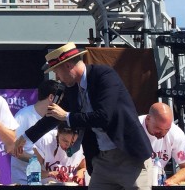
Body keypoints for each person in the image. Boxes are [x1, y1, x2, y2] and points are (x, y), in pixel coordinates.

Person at [14, 42, 152, 190]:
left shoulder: (104, 75)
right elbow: (53, 116)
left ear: (67, 66)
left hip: (128, 155)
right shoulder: (72, 89)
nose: (57, 78)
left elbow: (104, 116)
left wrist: (67, 116)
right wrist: (25, 137)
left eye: (57, 71)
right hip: (103, 159)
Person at [10, 79, 60, 184]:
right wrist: (39, 160)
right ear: (51, 98)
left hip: (52, 182)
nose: (63, 104)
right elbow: (13, 149)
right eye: (61, 99)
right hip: (25, 180)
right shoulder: (23, 116)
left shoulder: (58, 118)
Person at [140, 102, 185, 185]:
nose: (163, 133)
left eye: (167, 129)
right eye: (158, 128)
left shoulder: (175, 133)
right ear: (148, 119)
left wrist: (171, 181)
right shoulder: (134, 128)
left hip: (158, 177)